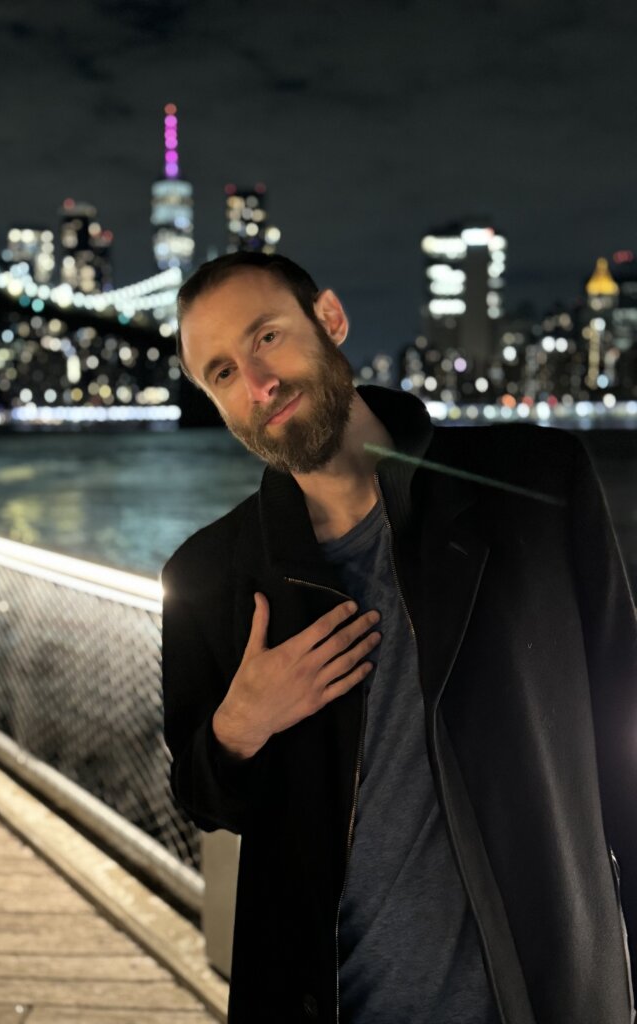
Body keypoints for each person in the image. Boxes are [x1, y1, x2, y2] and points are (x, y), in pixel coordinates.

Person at [160, 252, 636, 1024]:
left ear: (332, 321)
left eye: (268, 338)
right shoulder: (209, 578)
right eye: (220, 373)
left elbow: (627, 739)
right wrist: (237, 727)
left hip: (546, 995)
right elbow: (202, 796)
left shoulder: (535, 485)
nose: (257, 384)